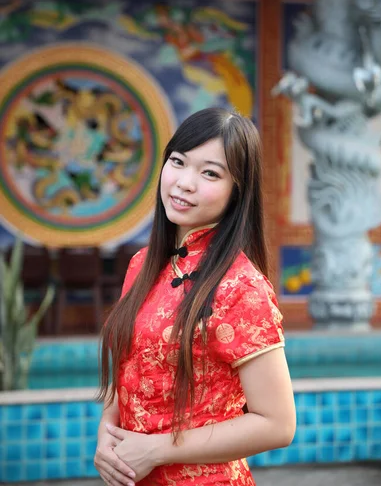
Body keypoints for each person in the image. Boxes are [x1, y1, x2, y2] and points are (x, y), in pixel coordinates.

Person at [94, 107, 296, 486]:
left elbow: (277, 424)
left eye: (209, 173)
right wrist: (108, 429)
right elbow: (127, 360)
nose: (184, 182)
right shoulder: (142, 265)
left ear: (238, 191)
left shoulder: (240, 288)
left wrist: (157, 448)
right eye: (178, 161)